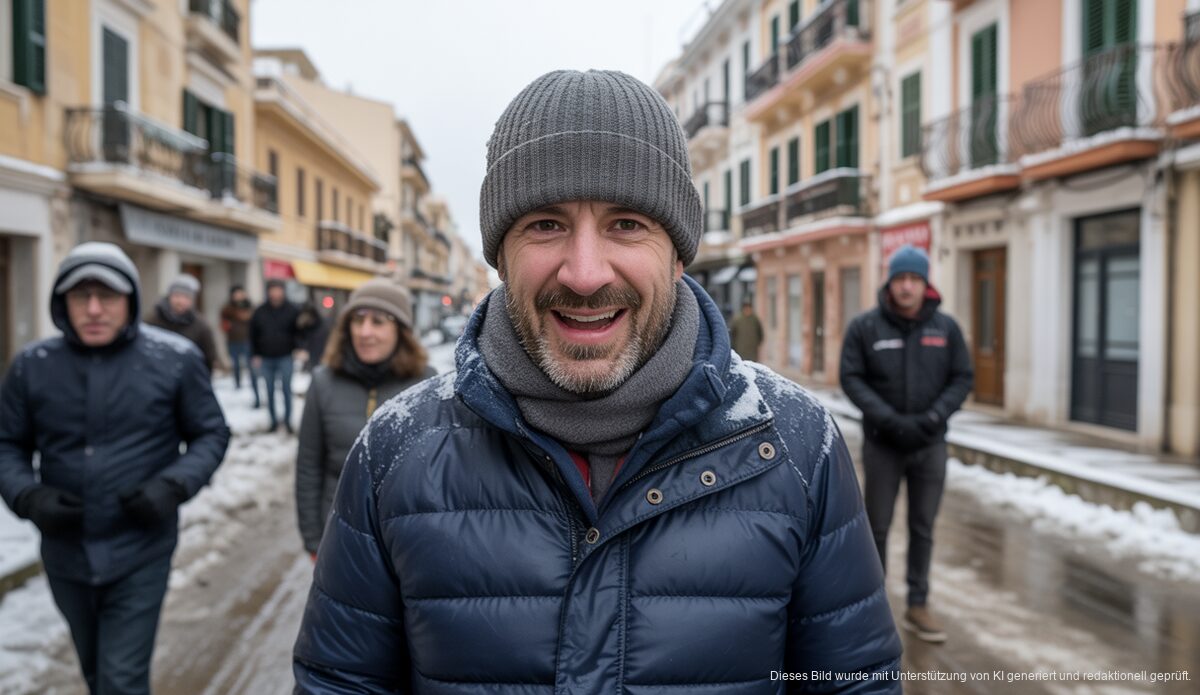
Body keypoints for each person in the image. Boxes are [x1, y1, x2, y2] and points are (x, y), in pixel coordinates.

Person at [293, 70, 901, 693]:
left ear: (678, 251)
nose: (584, 274)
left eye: (627, 223)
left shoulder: (798, 446)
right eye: (545, 224)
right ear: (500, 254)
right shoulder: (394, 451)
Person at [0, 242, 230, 695]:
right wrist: (30, 496)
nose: (93, 309)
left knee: (121, 679)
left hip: (141, 548)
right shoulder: (32, 366)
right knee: (95, 671)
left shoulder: (175, 359)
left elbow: (211, 434)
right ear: (61, 303)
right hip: (66, 552)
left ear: (131, 300)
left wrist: (173, 485)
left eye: (107, 296)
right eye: (79, 296)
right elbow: (6, 444)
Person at [839, 244, 973, 644]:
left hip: (930, 445)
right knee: (876, 527)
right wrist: (889, 420)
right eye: (901, 279)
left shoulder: (945, 329)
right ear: (890, 282)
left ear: (925, 283)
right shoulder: (866, 327)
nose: (907, 287)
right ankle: (874, 607)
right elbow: (852, 377)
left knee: (923, 526)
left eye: (914, 279)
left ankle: (918, 603)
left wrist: (934, 417)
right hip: (883, 445)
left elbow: (962, 378)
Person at [295, 279, 435, 559]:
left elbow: (436, 475)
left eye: (378, 321)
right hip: (338, 535)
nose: (364, 331)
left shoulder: (427, 384)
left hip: (407, 542)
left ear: (401, 330)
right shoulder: (323, 382)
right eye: (357, 321)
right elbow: (309, 466)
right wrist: (313, 539)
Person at [250, 279, 301, 433]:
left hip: (285, 357)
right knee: (269, 390)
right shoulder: (260, 311)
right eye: (273, 289)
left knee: (286, 390)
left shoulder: (292, 310)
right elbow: (253, 334)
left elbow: (299, 332)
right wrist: (255, 354)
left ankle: (288, 421)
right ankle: (272, 421)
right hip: (266, 358)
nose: (275, 293)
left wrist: (299, 348)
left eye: (278, 289)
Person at [144, 273, 218, 374]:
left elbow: (209, 356)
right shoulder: (152, 320)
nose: (180, 301)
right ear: (169, 296)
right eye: (177, 296)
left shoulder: (201, 325)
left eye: (186, 297)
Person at [221, 285, 260, 406]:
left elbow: (254, 319)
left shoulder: (249, 305)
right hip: (233, 341)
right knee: (236, 365)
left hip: (248, 341)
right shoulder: (228, 308)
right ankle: (237, 385)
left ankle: (256, 394)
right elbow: (224, 323)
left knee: (252, 368)